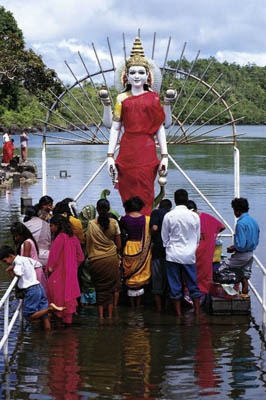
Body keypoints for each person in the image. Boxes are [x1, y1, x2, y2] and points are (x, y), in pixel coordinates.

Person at [101, 37, 175, 215]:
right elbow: (115, 127)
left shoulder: (154, 99)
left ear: (148, 76)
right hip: (127, 150)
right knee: (127, 193)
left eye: (141, 72)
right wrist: (110, 155)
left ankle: (146, 229)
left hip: (147, 151)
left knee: (146, 192)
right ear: (125, 75)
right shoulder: (121, 98)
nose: (136, 76)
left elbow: (160, 127)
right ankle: (131, 226)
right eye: (132, 72)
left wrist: (164, 155)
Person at [0, 245, 65, 330]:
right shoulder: (25, 259)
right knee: (44, 316)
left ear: (10, 256)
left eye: (5, 261)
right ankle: (48, 333)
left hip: (31, 290)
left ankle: (50, 309)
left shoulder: (18, 263)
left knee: (28, 315)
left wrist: (10, 270)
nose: (6, 263)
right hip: (39, 287)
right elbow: (37, 264)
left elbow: (17, 275)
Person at [161, 189, 202, 316]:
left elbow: (164, 237)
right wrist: (191, 248)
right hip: (189, 255)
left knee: (175, 286)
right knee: (192, 284)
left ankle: (178, 315)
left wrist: (169, 246)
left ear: (175, 200)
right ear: (187, 199)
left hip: (172, 254)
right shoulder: (194, 216)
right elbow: (197, 236)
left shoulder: (169, 215)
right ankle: (197, 312)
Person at [46, 214, 84, 325]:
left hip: (57, 276)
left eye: (51, 226)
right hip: (70, 276)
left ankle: (60, 332)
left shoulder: (58, 239)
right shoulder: (74, 237)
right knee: (68, 305)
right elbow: (80, 257)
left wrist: (50, 271)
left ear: (57, 226)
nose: (50, 228)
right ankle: (68, 331)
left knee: (57, 305)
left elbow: (51, 262)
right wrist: (71, 266)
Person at [86, 199, 121, 319]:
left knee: (99, 289)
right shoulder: (114, 223)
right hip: (111, 259)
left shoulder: (91, 224)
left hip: (96, 260)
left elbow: (89, 244)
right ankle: (110, 317)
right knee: (111, 289)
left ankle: (101, 318)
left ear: (97, 209)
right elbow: (119, 245)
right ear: (109, 209)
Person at [187, 200, 225, 296]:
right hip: (207, 252)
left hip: (192, 252)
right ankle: (204, 296)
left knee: (190, 275)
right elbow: (222, 226)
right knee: (206, 275)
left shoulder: (188, 220)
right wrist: (213, 235)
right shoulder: (208, 217)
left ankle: (190, 296)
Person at [120, 196, 152, 308]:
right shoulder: (147, 219)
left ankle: (132, 304)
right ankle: (138, 304)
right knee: (140, 272)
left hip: (129, 246)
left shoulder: (124, 219)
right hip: (142, 247)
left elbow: (122, 234)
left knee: (130, 273)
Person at [224, 197, 259, 296]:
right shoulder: (253, 221)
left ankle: (226, 293)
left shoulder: (240, 224)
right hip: (250, 253)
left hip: (242, 254)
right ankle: (244, 296)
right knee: (245, 277)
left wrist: (233, 247)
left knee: (223, 269)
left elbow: (241, 245)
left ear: (237, 210)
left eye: (234, 210)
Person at [10, 221, 48, 294]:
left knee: (35, 295)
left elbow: (25, 261)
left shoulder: (27, 243)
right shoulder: (28, 241)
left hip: (34, 273)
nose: (15, 238)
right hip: (35, 271)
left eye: (16, 236)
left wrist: (14, 267)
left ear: (22, 234)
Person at [150, 198, 172, 311]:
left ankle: (159, 309)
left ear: (159, 206)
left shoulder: (155, 213)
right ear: (169, 207)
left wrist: (151, 235)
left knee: (157, 279)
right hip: (170, 251)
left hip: (157, 249)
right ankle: (168, 307)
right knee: (169, 280)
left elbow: (154, 227)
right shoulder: (171, 214)